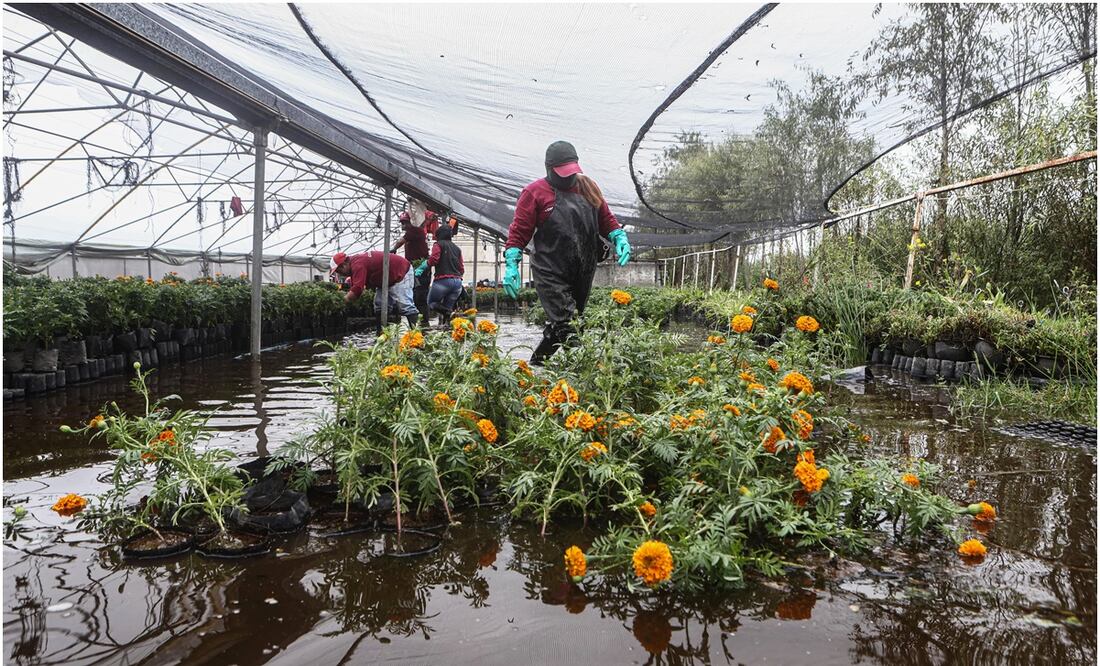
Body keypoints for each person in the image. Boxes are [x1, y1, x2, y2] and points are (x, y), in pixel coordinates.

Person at [502, 140, 631, 365]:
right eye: (562, 173)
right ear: (549, 169)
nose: (568, 177)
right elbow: (519, 231)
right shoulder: (534, 193)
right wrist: (512, 262)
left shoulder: (588, 187)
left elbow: (606, 220)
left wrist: (618, 236)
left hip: (583, 268)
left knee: (566, 323)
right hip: (550, 269)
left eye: (572, 172)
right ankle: (586, 371)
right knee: (568, 323)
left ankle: (535, 365)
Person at [330, 250, 420, 329]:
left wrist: (342, 302)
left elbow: (357, 289)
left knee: (405, 305)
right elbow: (357, 287)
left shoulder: (357, 264)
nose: (341, 274)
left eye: (339, 271)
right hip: (386, 279)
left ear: (344, 264)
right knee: (380, 304)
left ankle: (416, 335)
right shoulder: (356, 263)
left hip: (401, 272)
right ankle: (382, 333)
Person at [415, 223, 465, 323]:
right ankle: (447, 329)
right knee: (447, 307)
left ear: (439, 235)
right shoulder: (457, 249)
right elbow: (461, 268)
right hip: (457, 283)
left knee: (432, 303)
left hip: (443, 281)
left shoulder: (438, 244)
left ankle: (449, 313)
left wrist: (423, 266)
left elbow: (434, 259)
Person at [390, 211, 431, 323]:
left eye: (405, 223)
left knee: (420, 296)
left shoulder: (414, 231)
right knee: (416, 294)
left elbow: (400, 242)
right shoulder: (413, 231)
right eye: (402, 223)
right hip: (415, 266)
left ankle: (423, 323)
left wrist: (393, 249)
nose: (404, 226)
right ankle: (421, 321)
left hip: (420, 267)